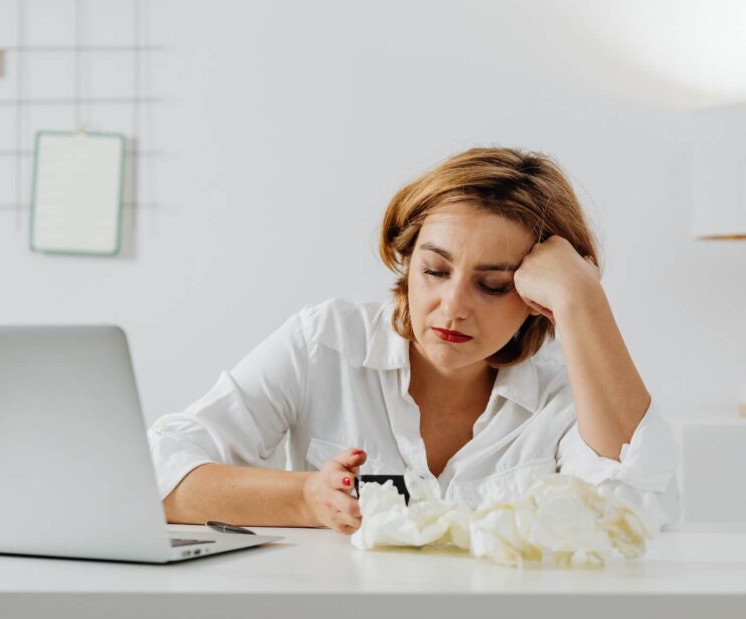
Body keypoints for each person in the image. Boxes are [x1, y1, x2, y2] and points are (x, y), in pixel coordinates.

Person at [148, 147, 680, 534]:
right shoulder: (325, 343)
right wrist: (306, 499)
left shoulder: (565, 397)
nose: (452, 307)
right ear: (407, 260)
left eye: (493, 285)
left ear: (535, 295)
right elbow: (157, 470)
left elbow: (635, 509)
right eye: (435, 270)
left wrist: (583, 301)